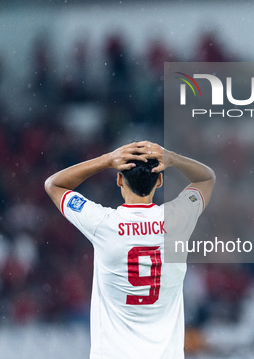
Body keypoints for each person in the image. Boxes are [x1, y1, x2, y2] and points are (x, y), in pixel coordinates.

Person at [44, 141, 215, 359]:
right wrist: (172, 158)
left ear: (119, 179)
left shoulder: (103, 223)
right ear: (160, 180)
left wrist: (106, 160)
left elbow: (54, 185)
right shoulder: (177, 218)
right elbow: (207, 178)